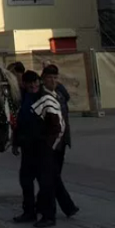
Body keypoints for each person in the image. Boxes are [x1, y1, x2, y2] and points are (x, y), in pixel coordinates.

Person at [13, 70, 64, 228]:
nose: (33, 85)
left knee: (46, 183)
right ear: (25, 84)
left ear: (38, 82)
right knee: (26, 181)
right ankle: (29, 212)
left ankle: (49, 216)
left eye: (35, 82)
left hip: (43, 149)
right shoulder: (22, 99)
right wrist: (16, 143)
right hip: (28, 148)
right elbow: (19, 124)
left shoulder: (47, 99)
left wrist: (49, 146)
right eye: (30, 83)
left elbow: (58, 126)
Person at [41, 64, 79, 218]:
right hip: (49, 143)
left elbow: (67, 98)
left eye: (55, 77)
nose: (53, 80)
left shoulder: (59, 93)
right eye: (49, 77)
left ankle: (42, 206)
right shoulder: (41, 94)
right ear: (43, 78)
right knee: (52, 176)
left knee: (53, 176)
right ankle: (67, 207)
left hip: (61, 142)